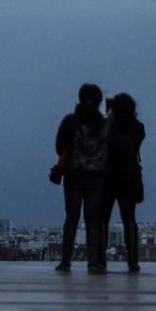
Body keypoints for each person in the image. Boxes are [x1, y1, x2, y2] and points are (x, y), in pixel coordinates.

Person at [52, 82, 110, 274]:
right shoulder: (104, 124)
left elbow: (60, 146)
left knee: (72, 218)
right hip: (97, 178)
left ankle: (66, 261)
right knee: (93, 220)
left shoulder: (70, 121)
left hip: (74, 176)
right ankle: (93, 261)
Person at [99, 92, 146, 274]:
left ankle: (100, 260)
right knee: (129, 219)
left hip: (107, 177)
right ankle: (133, 262)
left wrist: (108, 119)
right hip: (129, 177)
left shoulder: (106, 127)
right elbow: (134, 145)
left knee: (103, 218)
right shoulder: (138, 128)